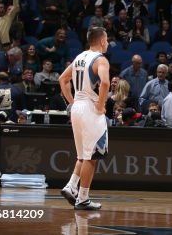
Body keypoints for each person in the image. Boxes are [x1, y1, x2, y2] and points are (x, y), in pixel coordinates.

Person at [59, 26, 110, 210]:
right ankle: (83, 198)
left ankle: (71, 186)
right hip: (90, 108)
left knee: (83, 155)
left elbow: (62, 80)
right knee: (91, 156)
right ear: (102, 40)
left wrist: (72, 102)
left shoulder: (79, 57)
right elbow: (105, 82)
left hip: (77, 107)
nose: (108, 42)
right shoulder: (101, 60)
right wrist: (102, 105)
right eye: (107, 39)